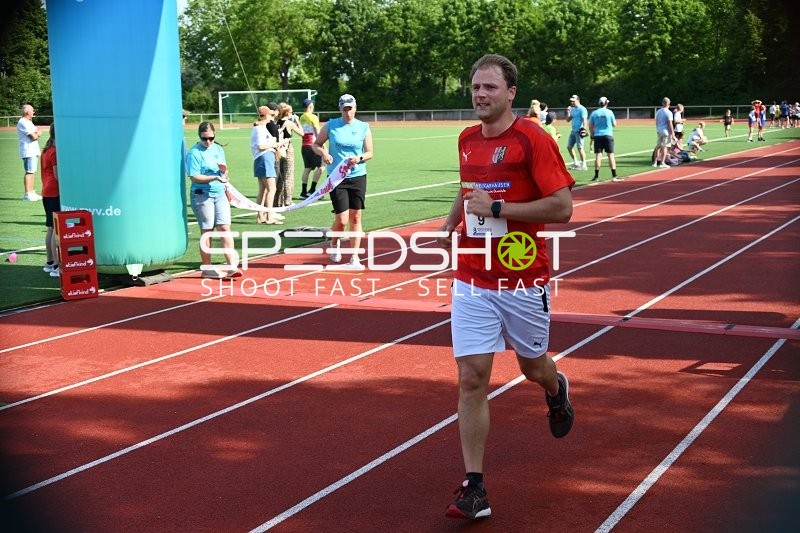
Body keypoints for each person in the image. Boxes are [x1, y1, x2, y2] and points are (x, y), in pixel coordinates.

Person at [436, 54, 575, 521]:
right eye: (475, 87)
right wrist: (450, 223)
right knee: (472, 377)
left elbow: (562, 208)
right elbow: (466, 186)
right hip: (473, 278)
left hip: (522, 278)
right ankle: (474, 487)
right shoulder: (466, 139)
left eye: (490, 88)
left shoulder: (532, 138)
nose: (480, 95)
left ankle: (555, 388)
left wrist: (497, 209)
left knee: (533, 366)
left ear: (511, 93)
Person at [312, 93, 374, 270]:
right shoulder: (331, 125)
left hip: (357, 175)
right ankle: (334, 243)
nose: (348, 112)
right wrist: (324, 153)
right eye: (344, 108)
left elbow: (370, 152)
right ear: (340, 109)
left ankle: (354, 256)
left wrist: (359, 157)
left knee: (356, 216)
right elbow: (316, 144)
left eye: (350, 108)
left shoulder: (363, 127)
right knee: (342, 219)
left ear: (355, 108)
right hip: (337, 177)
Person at [185, 122, 241, 278]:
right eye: (205, 139)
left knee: (225, 228)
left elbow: (224, 171)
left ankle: (231, 266)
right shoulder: (194, 153)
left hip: (220, 193)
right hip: (202, 195)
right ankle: (207, 268)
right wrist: (214, 177)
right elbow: (194, 176)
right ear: (199, 137)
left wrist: (224, 175)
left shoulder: (218, 149)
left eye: (211, 138)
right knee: (207, 231)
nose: (208, 142)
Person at [250, 106, 284, 225]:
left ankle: (261, 216)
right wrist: (275, 144)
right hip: (264, 158)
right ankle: (269, 216)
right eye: (270, 115)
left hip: (262, 159)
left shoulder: (260, 128)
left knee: (263, 190)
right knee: (271, 189)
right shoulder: (260, 129)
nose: (272, 117)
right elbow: (261, 146)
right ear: (266, 115)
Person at [40, 123, 61, 277]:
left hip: (47, 192)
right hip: (54, 192)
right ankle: (55, 264)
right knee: (55, 228)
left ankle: (49, 262)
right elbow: (57, 176)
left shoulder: (46, 150)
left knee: (50, 228)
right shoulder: (53, 151)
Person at [276, 102, 304, 206]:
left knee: (280, 176)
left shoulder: (276, 122)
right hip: (287, 149)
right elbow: (302, 133)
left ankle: (278, 201)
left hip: (278, 150)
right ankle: (288, 200)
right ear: (287, 113)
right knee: (289, 175)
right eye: (291, 112)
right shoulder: (289, 123)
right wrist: (297, 121)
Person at [588, 96, 620, 182]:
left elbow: (590, 125)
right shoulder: (610, 112)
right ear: (606, 103)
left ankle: (596, 176)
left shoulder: (594, 113)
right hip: (608, 135)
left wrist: (592, 134)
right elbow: (614, 124)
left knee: (598, 155)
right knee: (610, 155)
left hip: (598, 136)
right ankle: (614, 175)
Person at [298, 98, 323, 199]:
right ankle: (312, 190)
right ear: (310, 106)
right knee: (322, 166)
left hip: (304, 145)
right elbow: (317, 132)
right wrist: (322, 145)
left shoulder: (302, 117)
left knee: (307, 168)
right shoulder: (313, 117)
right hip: (313, 144)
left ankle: (303, 192)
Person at [17, 104, 42, 201]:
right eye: (32, 110)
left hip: (32, 150)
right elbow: (34, 136)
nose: (33, 112)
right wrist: (38, 133)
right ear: (27, 112)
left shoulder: (28, 122)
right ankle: (27, 194)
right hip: (28, 150)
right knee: (29, 172)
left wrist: (37, 133)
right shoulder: (23, 122)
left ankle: (31, 192)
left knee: (32, 171)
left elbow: (36, 133)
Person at [565, 94, 588, 170]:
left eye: (573, 101)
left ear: (578, 100)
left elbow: (585, 120)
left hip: (579, 131)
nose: (571, 102)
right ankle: (576, 162)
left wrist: (584, 129)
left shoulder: (582, 109)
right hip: (573, 131)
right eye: (571, 101)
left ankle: (584, 164)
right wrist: (568, 111)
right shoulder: (573, 109)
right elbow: (568, 120)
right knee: (569, 147)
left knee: (580, 148)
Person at [653, 97, 675, 168]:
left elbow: (656, 122)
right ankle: (662, 162)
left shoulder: (658, 111)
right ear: (669, 104)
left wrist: (658, 129)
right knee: (665, 147)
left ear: (662, 103)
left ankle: (655, 162)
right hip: (666, 131)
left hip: (659, 130)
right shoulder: (669, 112)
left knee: (658, 147)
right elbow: (670, 124)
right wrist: (673, 133)